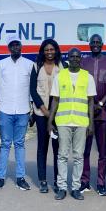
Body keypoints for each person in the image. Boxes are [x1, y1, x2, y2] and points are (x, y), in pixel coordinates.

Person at [48, 48, 96, 201]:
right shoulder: (60, 76)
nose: (75, 59)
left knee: (78, 156)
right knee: (62, 155)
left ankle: (75, 188)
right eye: (72, 56)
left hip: (81, 122)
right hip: (63, 121)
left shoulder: (87, 77)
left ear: (80, 59)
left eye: (77, 56)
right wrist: (50, 121)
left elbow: (90, 101)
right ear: (67, 58)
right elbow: (55, 100)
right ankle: (62, 187)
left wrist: (91, 124)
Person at [0, 34, 33, 192]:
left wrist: (32, 109)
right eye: (12, 45)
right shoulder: (1, 65)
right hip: (5, 110)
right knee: (6, 144)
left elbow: (31, 90)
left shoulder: (29, 65)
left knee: (20, 144)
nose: (16, 47)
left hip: (23, 110)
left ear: (21, 46)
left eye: (18, 44)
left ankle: (20, 178)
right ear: (8, 47)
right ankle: (0, 178)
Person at [80, 34, 106, 196]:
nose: (95, 45)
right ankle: (84, 181)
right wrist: (89, 104)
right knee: (84, 149)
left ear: (102, 44)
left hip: (103, 112)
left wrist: (100, 103)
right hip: (85, 112)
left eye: (98, 42)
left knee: (102, 151)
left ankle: (101, 183)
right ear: (89, 45)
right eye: (92, 42)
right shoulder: (83, 62)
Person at [30, 39, 65, 193]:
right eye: (46, 50)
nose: (49, 52)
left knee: (58, 148)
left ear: (56, 51)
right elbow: (32, 90)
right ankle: (43, 180)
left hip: (58, 114)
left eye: (52, 49)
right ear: (42, 51)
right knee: (42, 147)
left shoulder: (63, 67)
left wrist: (54, 112)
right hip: (41, 113)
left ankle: (58, 181)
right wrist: (44, 110)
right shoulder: (36, 66)